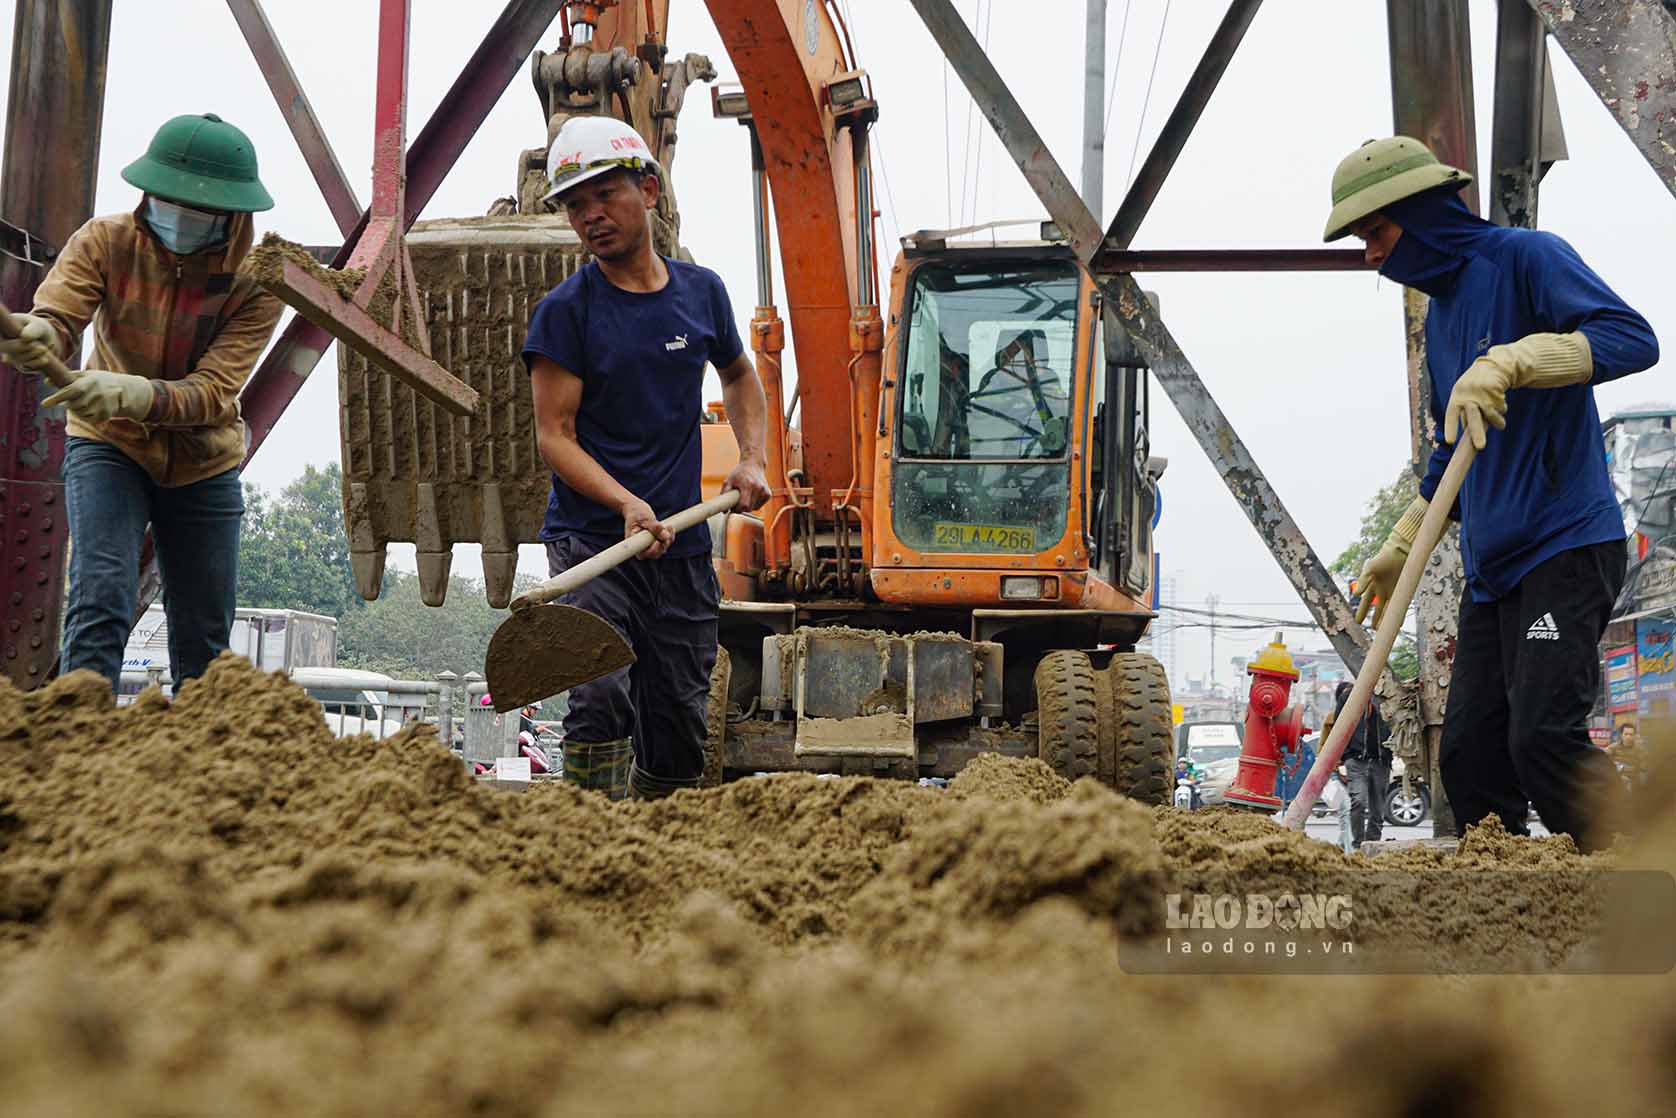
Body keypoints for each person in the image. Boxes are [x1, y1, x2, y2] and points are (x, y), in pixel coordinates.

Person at [1325, 136, 1658, 851]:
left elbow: (1632, 338)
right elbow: (1455, 454)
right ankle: (1500, 905)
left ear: (1421, 214)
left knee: (1543, 738)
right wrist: (1401, 541)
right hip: (1493, 570)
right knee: (1469, 755)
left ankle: (1641, 866)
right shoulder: (1442, 320)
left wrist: (1520, 357)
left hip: (1565, 543)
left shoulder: (1525, 258)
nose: (1370, 256)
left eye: (1375, 233)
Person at [521, 116, 770, 801]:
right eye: (576, 205)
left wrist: (751, 457)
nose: (591, 216)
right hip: (594, 543)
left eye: (606, 195)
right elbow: (555, 436)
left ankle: (660, 849)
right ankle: (587, 835)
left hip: (681, 545)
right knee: (599, 693)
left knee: (680, 720)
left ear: (650, 191)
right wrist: (626, 503)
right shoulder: (565, 315)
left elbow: (740, 377)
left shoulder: (702, 293)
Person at [0, 114, 280, 694]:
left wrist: (129, 392)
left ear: (232, 216)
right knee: (100, 592)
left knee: (205, 632)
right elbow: (59, 316)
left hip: (203, 460)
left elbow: (211, 392)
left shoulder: (257, 282)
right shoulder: (105, 242)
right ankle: (79, 738)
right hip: (109, 444)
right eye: (166, 201)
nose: (176, 217)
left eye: (196, 211)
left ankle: (201, 761)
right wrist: (44, 334)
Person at [1321, 681, 1391, 847]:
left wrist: (1388, 752)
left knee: (1378, 809)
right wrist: (1345, 756)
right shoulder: (1348, 698)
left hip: (1381, 760)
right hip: (1356, 760)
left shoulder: (1385, 695)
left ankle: (1372, 843)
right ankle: (1358, 843)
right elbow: (1339, 727)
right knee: (1358, 801)